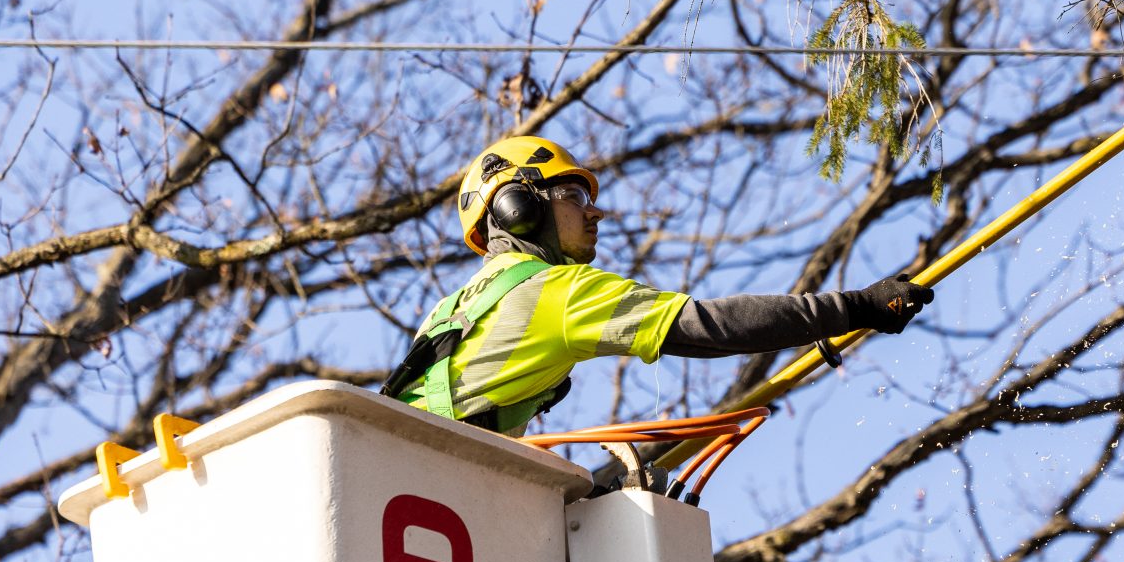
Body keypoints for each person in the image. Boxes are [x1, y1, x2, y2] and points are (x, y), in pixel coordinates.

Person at [383, 136, 933, 435]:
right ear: (519, 208)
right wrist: (859, 306)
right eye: (573, 198)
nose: (595, 212)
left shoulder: (452, 310)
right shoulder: (559, 293)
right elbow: (708, 328)